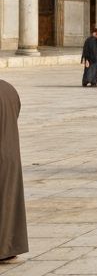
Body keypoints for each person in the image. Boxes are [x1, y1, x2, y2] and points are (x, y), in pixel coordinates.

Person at [0, 79, 28, 264]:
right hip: (9, 153)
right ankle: (9, 248)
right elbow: (15, 112)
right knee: (8, 202)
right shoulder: (8, 88)